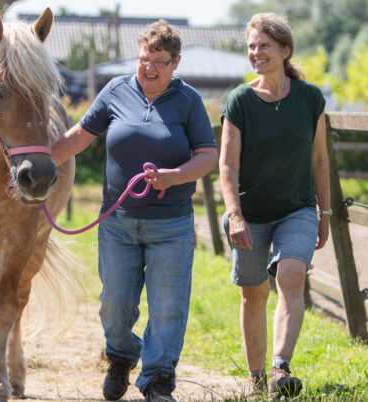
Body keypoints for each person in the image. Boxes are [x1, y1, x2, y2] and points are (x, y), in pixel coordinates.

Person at [51, 20, 218, 402]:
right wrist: (35, 163)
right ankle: (121, 358)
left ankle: (158, 380)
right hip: (118, 223)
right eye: (144, 59)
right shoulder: (116, 90)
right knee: (114, 305)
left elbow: (207, 155)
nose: (149, 68)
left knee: (167, 306)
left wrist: (173, 176)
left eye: (159, 61)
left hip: (171, 224)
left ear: (176, 63)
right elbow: (78, 136)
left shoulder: (188, 100)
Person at [218, 13, 330, 400]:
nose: (256, 53)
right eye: (251, 46)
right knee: (253, 294)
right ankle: (257, 376)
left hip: (296, 209)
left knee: (291, 275)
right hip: (249, 214)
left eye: (263, 45)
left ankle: (281, 367)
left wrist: (325, 213)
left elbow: (319, 160)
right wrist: (234, 215)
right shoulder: (240, 100)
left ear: (285, 50)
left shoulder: (311, 98)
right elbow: (227, 165)